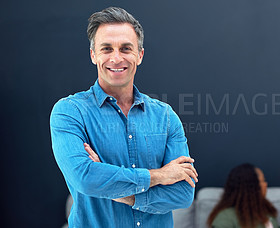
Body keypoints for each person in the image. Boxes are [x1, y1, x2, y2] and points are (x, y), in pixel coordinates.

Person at [50, 7, 198, 228]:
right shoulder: (70, 112)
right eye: (107, 48)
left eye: (126, 48)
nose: (116, 58)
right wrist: (158, 176)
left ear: (139, 55)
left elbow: (183, 194)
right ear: (94, 55)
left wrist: (119, 192)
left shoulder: (165, 116)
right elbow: (85, 177)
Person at [207, 163, 280, 228]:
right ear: (251, 188)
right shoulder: (226, 217)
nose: (266, 184)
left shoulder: (266, 212)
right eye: (262, 181)